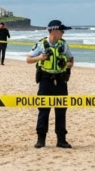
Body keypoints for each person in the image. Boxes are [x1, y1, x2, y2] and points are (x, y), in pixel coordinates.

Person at [26, 20, 74, 149]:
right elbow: (28, 59)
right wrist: (40, 58)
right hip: (45, 80)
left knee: (61, 110)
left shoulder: (63, 45)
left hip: (60, 81)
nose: (63, 33)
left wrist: (67, 65)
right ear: (53, 30)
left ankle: (61, 140)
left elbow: (71, 59)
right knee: (43, 110)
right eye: (61, 30)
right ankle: (41, 139)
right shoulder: (41, 44)